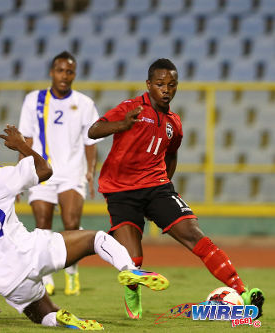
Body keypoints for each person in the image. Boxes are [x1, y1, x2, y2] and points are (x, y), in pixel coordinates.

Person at [0, 124, 170, 330]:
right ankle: (128, 269)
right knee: (96, 239)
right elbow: (45, 171)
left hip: (7, 282)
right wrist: (22, 146)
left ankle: (61, 318)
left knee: (43, 313)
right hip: (32, 252)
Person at [88, 58, 265, 319]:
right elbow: (94, 131)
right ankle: (132, 292)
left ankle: (242, 291)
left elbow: (171, 156)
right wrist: (121, 125)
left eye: (172, 84)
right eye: (160, 84)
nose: (166, 89)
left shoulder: (175, 124)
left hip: (157, 188)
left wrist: (163, 191)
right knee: (133, 260)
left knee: (196, 236)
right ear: (149, 85)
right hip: (121, 191)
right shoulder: (131, 107)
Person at [18, 51, 101, 296]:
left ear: (74, 74)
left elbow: (90, 141)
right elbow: (26, 141)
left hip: (73, 172)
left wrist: (90, 172)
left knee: (71, 224)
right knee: (43, 224)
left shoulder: (85, 104)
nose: (64, 75)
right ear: (51, 72)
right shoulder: (34, 100)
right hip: (42, 172)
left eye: (69, 71)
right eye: (59, 70)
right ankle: (46, 277)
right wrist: (21, 176)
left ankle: (72, 273)